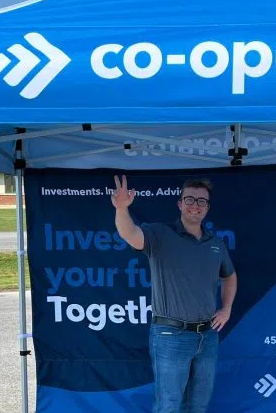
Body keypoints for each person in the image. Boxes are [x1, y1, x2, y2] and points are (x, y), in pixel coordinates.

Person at [112, 175, 237, 413]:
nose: (195, 205)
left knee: (199, 404)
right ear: (180, 203)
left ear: (207, 207)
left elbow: (229, 276)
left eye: (201, 201)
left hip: (208, 336)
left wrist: (226, 308)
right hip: (171, 336)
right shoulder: (159, 234)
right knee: (168, 405)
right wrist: (121, 209)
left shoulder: (215, 244)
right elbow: (130, 234)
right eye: (189, 199)